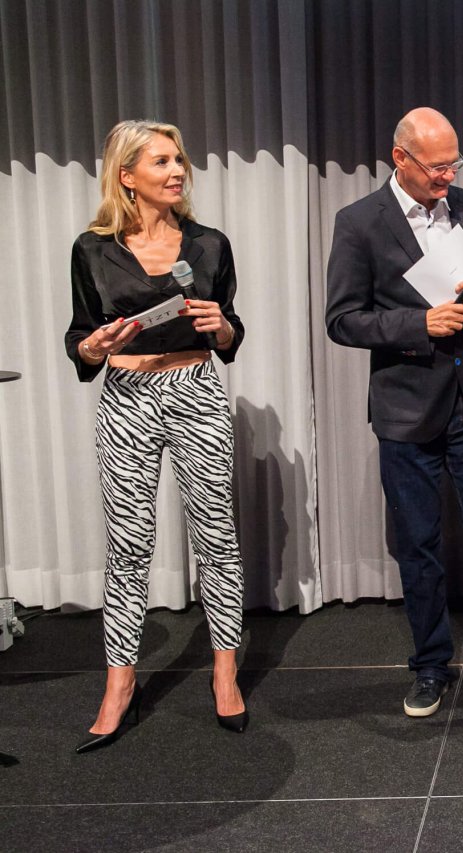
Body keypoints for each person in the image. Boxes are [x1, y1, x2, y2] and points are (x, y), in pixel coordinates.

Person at [325, 108, 463, 717]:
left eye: (454, 164)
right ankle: (430, 666)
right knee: (418, 546)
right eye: (437, 166)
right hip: (406, 410)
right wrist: (419, 324)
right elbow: (343, 319)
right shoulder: (359, 222)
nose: (449, 176)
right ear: (401, 158)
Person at [64, 119, 248, 752]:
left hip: (196, 388)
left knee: (216, 536)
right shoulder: (92, 249)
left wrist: (222, 327)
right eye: (162, 161)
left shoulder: (209, 245)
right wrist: (93, 346)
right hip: (127, 394)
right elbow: (80, 338)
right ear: (127, 175)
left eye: (179, 160)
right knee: (128, 544)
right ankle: (120, 684)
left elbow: (230, 333)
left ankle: (224, 671)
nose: (177, 171)